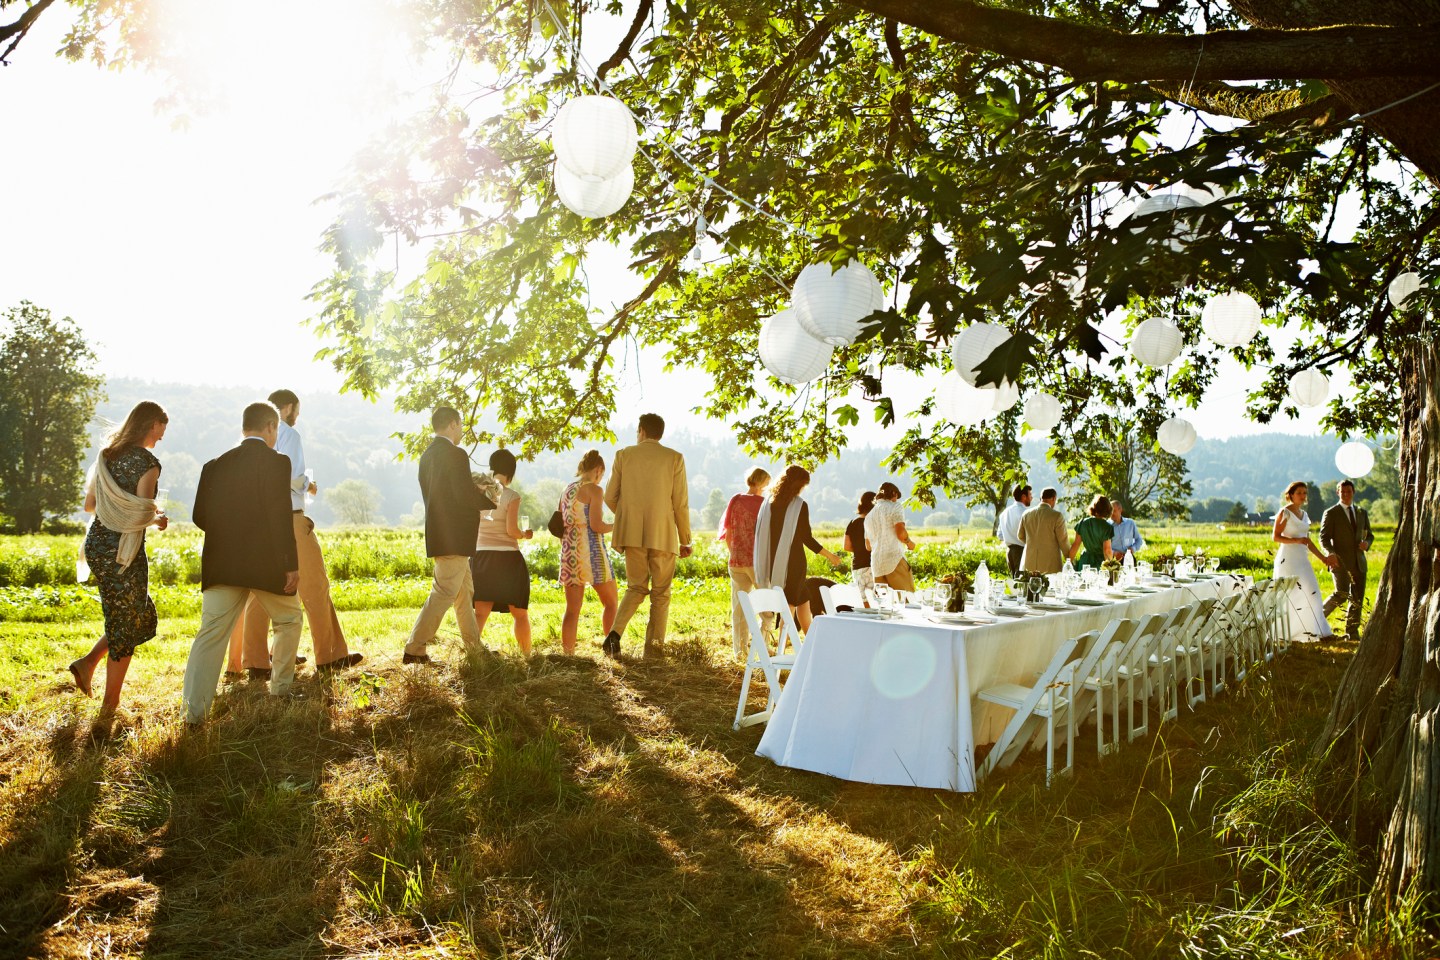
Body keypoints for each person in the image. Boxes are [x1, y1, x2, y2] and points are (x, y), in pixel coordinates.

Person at [226, 389, 362, 680]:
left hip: (259, 521)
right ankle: (330, 655)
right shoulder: (289, 435)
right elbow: (287, 476)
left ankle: (256, 661)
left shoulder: (246, 443)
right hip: (289, 517)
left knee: (259, 590)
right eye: (296, 411)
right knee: (315, 584)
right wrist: (307, 484)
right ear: (286, 408)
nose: (296, 418)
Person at [180, 402, 304, 724]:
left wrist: (229, 537)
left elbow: (199, 516)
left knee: (210, 635)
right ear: (270, 428)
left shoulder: (213, 466)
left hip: (222, 563)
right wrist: (290, 563)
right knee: (289, 620)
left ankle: (193, 714)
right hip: (266, 565)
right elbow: (280, 517)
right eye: (275, 430)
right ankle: (281, 690)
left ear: (243, 427)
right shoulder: (278, 463)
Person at [67, 401, 170, 715]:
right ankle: (109, 707)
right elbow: (140, 510)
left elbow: (90, 505)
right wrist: (156, 519)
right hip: (123, 551)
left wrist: (125, 510)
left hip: (98, 545)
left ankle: (87, 663)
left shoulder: (106, 456)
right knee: (126, 623)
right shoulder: (148, 463)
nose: (162, 436)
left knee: (136, 616)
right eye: (162, 428)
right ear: (151, 423)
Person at [405, 406, 493, 665]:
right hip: (456, 534)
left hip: (439, 532)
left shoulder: (426, 456)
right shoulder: (456, 454)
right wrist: (487, 496)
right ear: (453, 424)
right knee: (443, 592)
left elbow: (441, 494)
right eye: (462, 424)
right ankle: (415, 646)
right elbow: (462, 495)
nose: (463, 430)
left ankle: (474, 648)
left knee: (464, 592)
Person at [602, 413, 692, 660]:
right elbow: (680, 503)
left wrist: (627, 517)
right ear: (660, 433)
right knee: (661, 594)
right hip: (663, 534)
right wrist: (685, 538)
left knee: (636, 588)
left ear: (641, 430)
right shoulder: (675, 458)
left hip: (632, 534)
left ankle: (614, 635)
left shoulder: (623, 455)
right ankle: (653, 652)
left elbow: (609, 497)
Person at [754, 466, 843, 633]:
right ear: (798, 485)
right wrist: (829, 555)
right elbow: (806, 538)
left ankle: (810, 641)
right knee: (790, 604)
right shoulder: (799, 505)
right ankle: (783, 644)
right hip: (794, 564)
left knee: (803, 602)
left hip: (773, 561)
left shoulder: (768, 503)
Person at [471, 449, 535, 654]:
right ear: (511, 471)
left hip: (481, 556)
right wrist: (525, 534)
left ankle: (471, 653)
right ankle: (526, 656)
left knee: (480, 612)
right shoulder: (511, 496)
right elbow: (511, 530)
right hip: (507, 558)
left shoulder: (478, 493)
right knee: (519, 613)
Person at [559, 449, 618, 656]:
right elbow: (597, 525)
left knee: (572, 609)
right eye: (601, 474)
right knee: (611, 602)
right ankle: (611, 651)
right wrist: (617, 525)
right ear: (598, 470)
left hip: (569, 553)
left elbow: (560, 522)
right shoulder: (594, 490)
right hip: (592, 553)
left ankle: (568, 655)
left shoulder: (566, 489)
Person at [1272, 480, 1338, 641]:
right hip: (1288, 559)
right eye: (1299, 493)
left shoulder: (1304, 515)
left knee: (1312, 591)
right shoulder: (1284, 513)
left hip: (1302, 559)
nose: (1303, 496)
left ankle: (1320, 631)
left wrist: (1323, 558)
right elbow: (1275, 537)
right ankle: (1286, 633)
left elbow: (1307, 541)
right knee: (1290, 594)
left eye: (1304, 493)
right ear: (1291, 495)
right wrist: (1295, 541)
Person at [717, 467, 771, 659]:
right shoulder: (764, 504)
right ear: (762, 482)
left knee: (739, 608)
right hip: (756, 562)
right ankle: (763, 646)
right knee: (767, 606)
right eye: (766, 483)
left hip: (736, 561)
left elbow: (728, 532)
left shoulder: (735, 499)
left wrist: (734, 554)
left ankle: (739, 651)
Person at [1320, 479, 1373, 640]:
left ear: (1353, 492)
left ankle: (1352, 632)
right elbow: (1324, 538)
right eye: (1342, 492)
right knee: (1341, 594)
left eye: (1348, 491)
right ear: (1337, 493)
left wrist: (1367, 544)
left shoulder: (1361, 512)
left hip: (1359, 562)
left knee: (1357, 598)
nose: (1345, 494)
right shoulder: (1331, 513)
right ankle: (1316, 621)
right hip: (1339, 562)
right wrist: (1331, 553)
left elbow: (1369, 535)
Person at [864, 481, 916, 592]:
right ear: (893, 493)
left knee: (885, 605)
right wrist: (909, 543)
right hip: (894, 561)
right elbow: (901, 533)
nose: (896, 500)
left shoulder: (869, 516)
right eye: (896, 496)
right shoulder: (895, 506)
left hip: (877, 566)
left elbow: (868, 546)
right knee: (907, 601)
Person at [1018, 487, 1069, 574]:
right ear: (1054, 498)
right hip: (1050, 564)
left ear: (1041, 498)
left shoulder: (1026, 514)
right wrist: (1070, 560)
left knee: (1030, 587)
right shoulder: (1056, 516)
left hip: (1029, 562)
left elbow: (1020, 536)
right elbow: (1063, 542)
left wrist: (1033, 544)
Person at [844, 491, 876, 599]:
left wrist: (859, 549)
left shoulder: (852, 522)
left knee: (862, 600)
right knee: (875, 600)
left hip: (857, 566)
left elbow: (846, 546)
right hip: (872, 564)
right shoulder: (873, 522)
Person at [1069, 495, 1115, 570]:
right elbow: (1107, 550)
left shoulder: (1082, 523)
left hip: (1084, 561)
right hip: (1100, 563)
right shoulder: (1107, 527)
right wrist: (1111, 568)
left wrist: (1068, 562)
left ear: (1093, 507)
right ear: (1108, 509)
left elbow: (1075, 545)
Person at [996, 484, 1032, 578]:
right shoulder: (1026, 513)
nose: (1031, 497)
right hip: (1021, 550)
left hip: (1009, 552)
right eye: (1030, 495)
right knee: (1023, 582)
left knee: (1015, 582)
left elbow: (999, 535)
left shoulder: (1004, 513)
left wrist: (1010, 537)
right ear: (1024, 496)